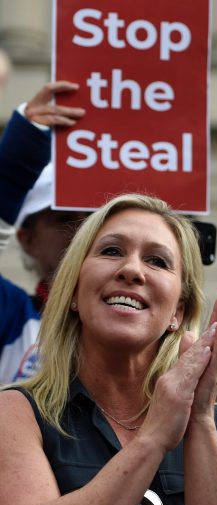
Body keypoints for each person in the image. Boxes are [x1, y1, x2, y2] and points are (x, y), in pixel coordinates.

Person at [0, 194, 217, 505]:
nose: (132, 270)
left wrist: (200, 418)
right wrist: (153, 438)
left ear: (177, 313)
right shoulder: (15, 414)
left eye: (157, 261)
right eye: (111, 251)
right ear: (72, 292)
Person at [0, 81, 86, 383]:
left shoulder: (147, 319)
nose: (82, 230)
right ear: (28, 238)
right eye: (64, 218)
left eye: (93, 218)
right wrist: (23, 148)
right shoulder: (11, 314)